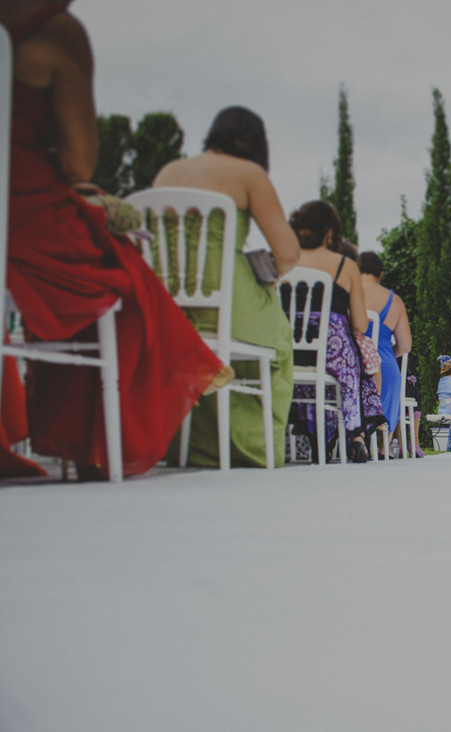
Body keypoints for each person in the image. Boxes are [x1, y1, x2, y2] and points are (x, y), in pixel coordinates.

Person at [1, 1, 232, 478]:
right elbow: (78, 164)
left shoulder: (170, 171)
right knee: (124, 278)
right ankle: (109, 438)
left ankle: (186, 363)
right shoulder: (55, 33)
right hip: (17, 207)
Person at [152, 105, 300, 468]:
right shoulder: (248, 173)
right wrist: (270, 275)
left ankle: (186, 445)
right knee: (278, 335)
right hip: (225, 293)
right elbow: (288, 252)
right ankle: (250, 445)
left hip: (165, 301)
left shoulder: (168, 170)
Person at [285, 201, 385, 463]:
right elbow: (361, 326)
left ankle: (312, 432)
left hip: (288, 353)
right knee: (361, 369)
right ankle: (355, 436)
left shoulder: (283, 261)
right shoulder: (345, 265)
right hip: (332, 359)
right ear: (330, 232)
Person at [358, 252, 412, 436]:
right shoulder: (394, 301)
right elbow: (405, 346)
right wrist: (386, 353)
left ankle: (350, 437)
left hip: (350, 361)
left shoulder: (348, 293)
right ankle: (383, 445)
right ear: (380, 274)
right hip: (384, 363)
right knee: (392, 378)